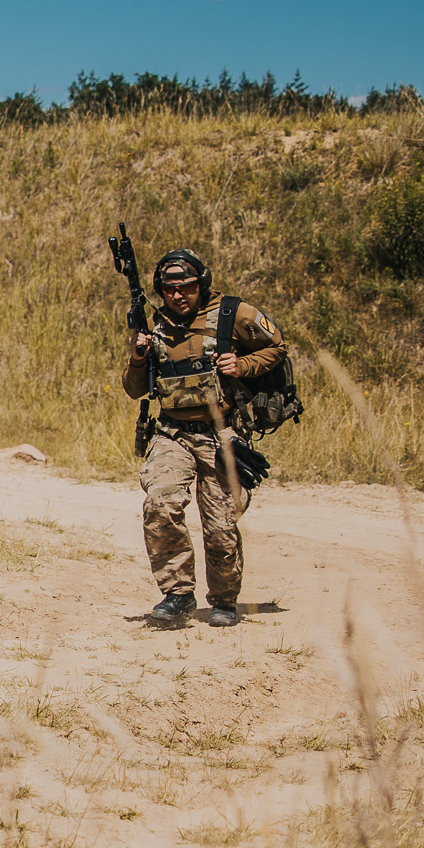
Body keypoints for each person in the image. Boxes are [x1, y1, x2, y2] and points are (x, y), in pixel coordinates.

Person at [121, 249, 285, 628]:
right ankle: (177, 593)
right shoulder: (154, 326)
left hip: (221, 433)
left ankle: (224, 598)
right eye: (169, 289)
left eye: (187, 288)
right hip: (172, 432)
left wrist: (242, 364)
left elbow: (277, 347)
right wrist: (137, 358)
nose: (178, 296)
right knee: (160, 503)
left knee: (221, 525)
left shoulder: (233, 314)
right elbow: (133, 390)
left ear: (202, 284)